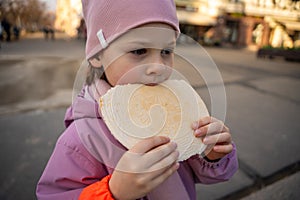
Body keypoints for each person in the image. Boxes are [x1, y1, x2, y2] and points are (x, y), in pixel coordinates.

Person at [36, 0, 238, 199]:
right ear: (97, 55)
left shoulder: (179, 113)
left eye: (166, 51)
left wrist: (213, 155)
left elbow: (205, 173)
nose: (159, 66)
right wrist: (113, 192)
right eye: (139, 51)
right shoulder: (82, 138)